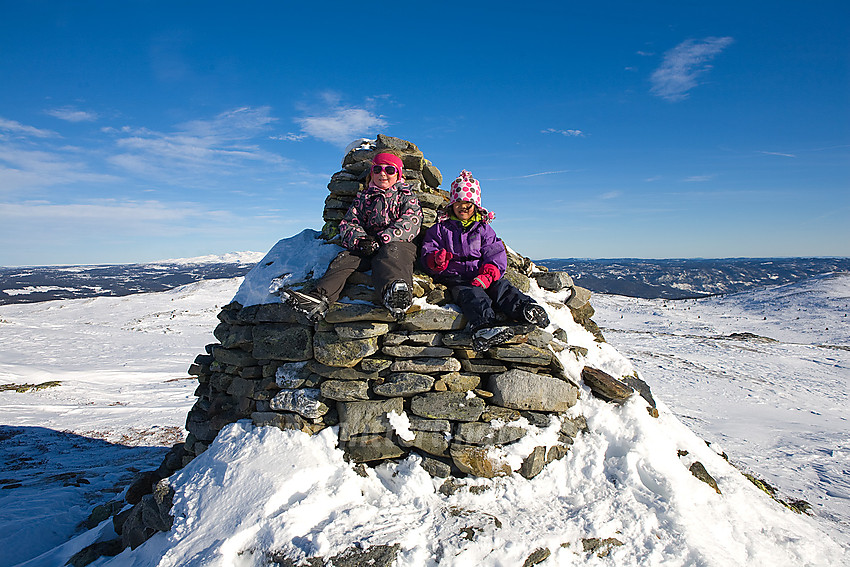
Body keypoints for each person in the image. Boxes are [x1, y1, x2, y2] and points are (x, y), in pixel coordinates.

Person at [420, 170, 550, 351]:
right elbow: (428, 251)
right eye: (459, 202)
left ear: (476, 205)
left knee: (503, 289)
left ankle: (527, 309)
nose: (463, 206)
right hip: (457, 279)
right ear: (452, 204)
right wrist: (436, 260)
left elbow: (495, 253)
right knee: (474, 296)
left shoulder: (483, 229)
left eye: (468, 202)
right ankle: (483, 327)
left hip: (483, 275)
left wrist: (488, 275)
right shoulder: (440, 229)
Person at [286, 152, 423, 321]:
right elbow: (349, 223)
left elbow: (411, 222)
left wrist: (382, 239)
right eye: (378, 169)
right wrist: (360, 240)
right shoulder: (364, 198)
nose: (383, 174)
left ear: (398, 174)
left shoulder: (406, 196)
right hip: (367, 244)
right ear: (372, 172)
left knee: (391, 255)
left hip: (397, 243)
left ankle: (395, 296)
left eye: (389, 169)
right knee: (345, 259)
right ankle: (320, 298)